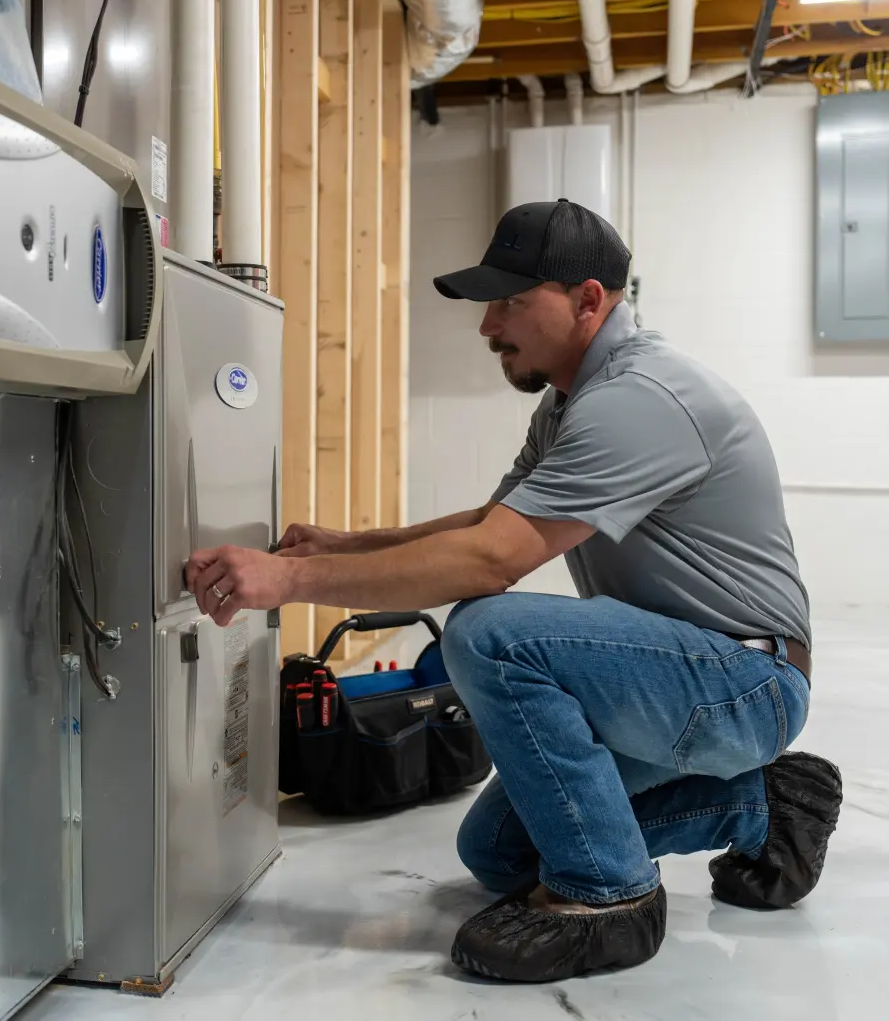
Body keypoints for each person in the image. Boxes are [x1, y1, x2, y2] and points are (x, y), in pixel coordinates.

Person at [185, 199, 842, 984]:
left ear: (588, 300)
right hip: (678, 675)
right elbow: (492, 522)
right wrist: (347, 544)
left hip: (744, 681)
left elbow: (493, 561)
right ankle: (763, 807)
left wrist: (286, 581)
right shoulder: (570, 401)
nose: (489, 325)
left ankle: (609, 897)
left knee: (490, 629)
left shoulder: (641, 400)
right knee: (498, 851)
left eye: (511, 302)